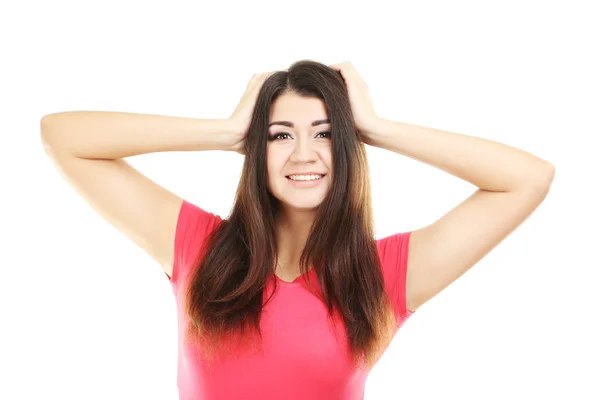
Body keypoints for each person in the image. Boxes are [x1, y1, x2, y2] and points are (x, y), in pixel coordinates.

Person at [40, 60, 555, 399]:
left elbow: (527, 180)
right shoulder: (197, 246)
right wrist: (224, 131)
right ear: (257, 149)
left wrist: (376, 128)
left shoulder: (385, 276)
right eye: (281, 135)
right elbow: (62, 136)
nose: (303, 154)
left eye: (326, 135)